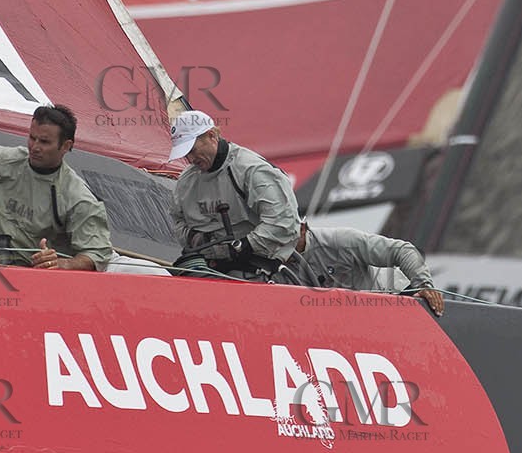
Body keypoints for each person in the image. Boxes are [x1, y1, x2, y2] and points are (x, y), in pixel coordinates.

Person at [0, 104, 111, 271]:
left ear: (66, 146)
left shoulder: (78, 197)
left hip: (26, 275)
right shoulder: (4, 159)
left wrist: (62, 264)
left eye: (44, 142)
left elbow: (97, 255)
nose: (35, 147)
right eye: (32, 138)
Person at [167, 110, 298, 276]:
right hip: (211, 269)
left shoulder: (250, 169)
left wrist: (244, 247)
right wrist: (195, 238)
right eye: (186, 154)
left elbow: (283, 221)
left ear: (212, 135)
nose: (191, 159)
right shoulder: (185, 182)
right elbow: (177, 219)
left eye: (193, 150)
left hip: (259, 269)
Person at [289, 220, 446, 315]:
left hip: (396, 295)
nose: (277, 244)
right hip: (351, 320)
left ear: (302, 228)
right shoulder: (273, 264)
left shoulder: (340, 241)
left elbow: (403, 251)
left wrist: (424, 285)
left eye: (284, 235)